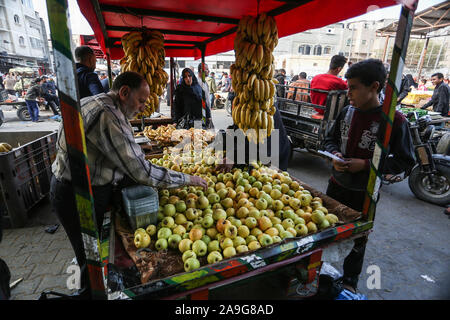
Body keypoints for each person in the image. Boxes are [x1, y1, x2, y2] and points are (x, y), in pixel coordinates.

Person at [50, 71, 207, 299]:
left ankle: (89, 288)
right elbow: (141, 171)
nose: (144, 107)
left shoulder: (93, 101)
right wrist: (187, 179)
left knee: (88, 252)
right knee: (89, 257)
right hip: (79, 195)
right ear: (124, 92)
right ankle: (88, 293)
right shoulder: (108, 115)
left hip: (72, 186)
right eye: (141, 100)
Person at [323, 59, 415, 297]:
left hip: (364, 194)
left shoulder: (394, 120)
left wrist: (366, 165)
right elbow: (329, 140)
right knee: (326, 231)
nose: (348, 92)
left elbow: (405, 161)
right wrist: (334, 155)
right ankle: (322, 273)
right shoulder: (347, 111)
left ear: (374, 87)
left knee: (357, 241)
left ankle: (349, 281)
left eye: (353, 87)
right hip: (335, 186)